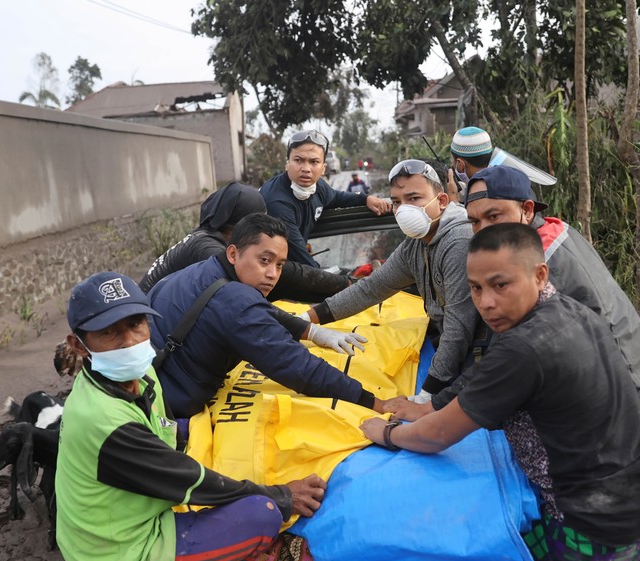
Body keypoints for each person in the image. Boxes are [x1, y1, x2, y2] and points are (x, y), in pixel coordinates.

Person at [361, 224, 640, 561]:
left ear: (540, 274)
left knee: (455, 552)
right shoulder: (573, 310)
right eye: (475, 288)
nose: (486, 302)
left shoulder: (522, 348)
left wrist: (386, 433)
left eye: (500, 285)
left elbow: (435, 436)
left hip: (600, 536)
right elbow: (485, 377)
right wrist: (433, 404)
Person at [56, 270, 327, 561]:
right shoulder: (103, 421)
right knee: (262, 513)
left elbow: (167, 433)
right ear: (79, 345)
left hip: (123, 523)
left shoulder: (141, 374)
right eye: (109, 332)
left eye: (136, 324)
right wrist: (283, 496)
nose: (129, 341)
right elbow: (193, 482)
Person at [458, 165, 640, 420]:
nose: (483, 231)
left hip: (627, 398)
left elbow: (510, 353)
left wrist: (438, 404)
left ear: (527, 210)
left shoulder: (536, 262)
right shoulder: (554, 230)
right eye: (475, 222)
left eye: (494, 216)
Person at [148, 213, 384, 419]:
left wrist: (312, 331)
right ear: (233, 254)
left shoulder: (203, 271)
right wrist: (373, 402)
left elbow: (258, 312)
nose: (273, 274)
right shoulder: (236, 299)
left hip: (151, 384)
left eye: (280, 265)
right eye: (264, 260)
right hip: (169, 404)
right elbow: (295, 365)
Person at [300, 159, 483, 402]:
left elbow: (459, 327)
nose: (403, 210)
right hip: (446, 344)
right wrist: (303, 321)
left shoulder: (458, 241)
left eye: (414, 198)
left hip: (476, 356)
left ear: (441, 201)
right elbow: (370, 289)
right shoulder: (416, 243)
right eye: (397, 202)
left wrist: (427, 394)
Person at [139, 183, 350, 302]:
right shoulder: (207, 249)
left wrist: (344, 287)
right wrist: (346, 284)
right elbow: (287, 276)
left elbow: (283, 279)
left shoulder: (209, 238)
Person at [260, 129, 392, 267]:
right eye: (298, 160)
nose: (306, 169)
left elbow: (337, 197)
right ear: (287, 164)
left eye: (314, 162)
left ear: (323, 168)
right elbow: (301, 258)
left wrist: (365, 199)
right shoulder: (277, 202)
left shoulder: (319, 187)